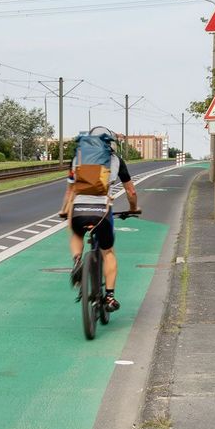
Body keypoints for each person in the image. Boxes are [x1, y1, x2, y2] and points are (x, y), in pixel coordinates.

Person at [58, 130, 140, 312]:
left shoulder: (77, 158)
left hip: (78, 209)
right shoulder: (116, 161)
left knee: (77, 232)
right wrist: (133, 208)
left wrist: (64, 210)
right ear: (110, 144)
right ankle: (109, 297)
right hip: (102, 212)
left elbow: (70, 191)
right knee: (108, 252)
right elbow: (131, 192)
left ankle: (77, 261)